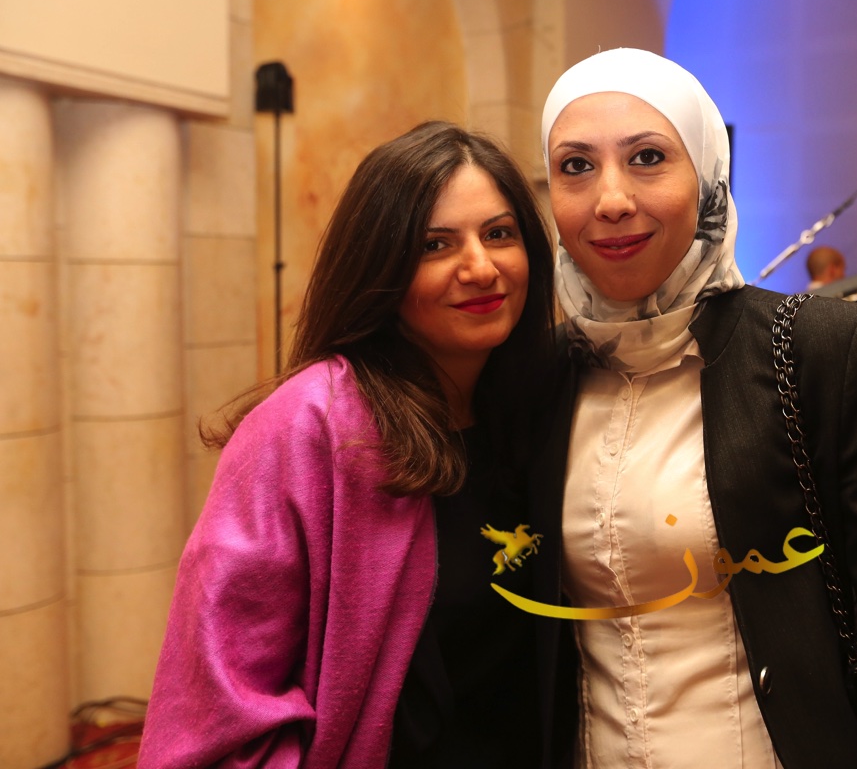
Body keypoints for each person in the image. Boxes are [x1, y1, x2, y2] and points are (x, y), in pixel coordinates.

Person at [530, 48, 857, 768]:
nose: (611, 199)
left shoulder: (819, 350)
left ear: (708, 177)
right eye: (576, 166)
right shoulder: (538, 377)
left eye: (647, 157)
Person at [138, 121, 556, 767]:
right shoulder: (309, 428)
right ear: (380, 268)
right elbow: (219, 704)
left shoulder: (544, 404)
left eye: (499, 234)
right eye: (435, 245)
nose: (481, 268)